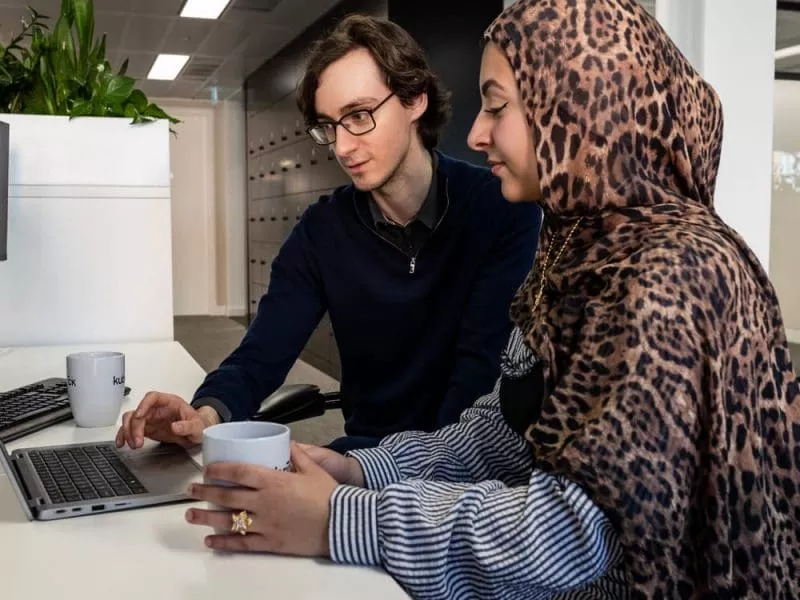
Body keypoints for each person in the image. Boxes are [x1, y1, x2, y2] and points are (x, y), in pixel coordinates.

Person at [180, 0, 800, 598]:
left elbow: (571, 533)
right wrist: (360, 472)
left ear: (578, 110)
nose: (475, 133)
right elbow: (503, 427)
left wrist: (346, 517)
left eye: (497, 106)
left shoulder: (669, 274)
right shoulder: (575, 251)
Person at [115, 16, 542, 455]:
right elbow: (264, 349)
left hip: (461, 465)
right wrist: (202, 415)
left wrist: (385, 481)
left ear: (415, 100)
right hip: (361, 452)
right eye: (329, 125)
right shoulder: (323, 230)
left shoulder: (500, 210)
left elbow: (479, 380)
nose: (341, 147)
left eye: (358, 116)